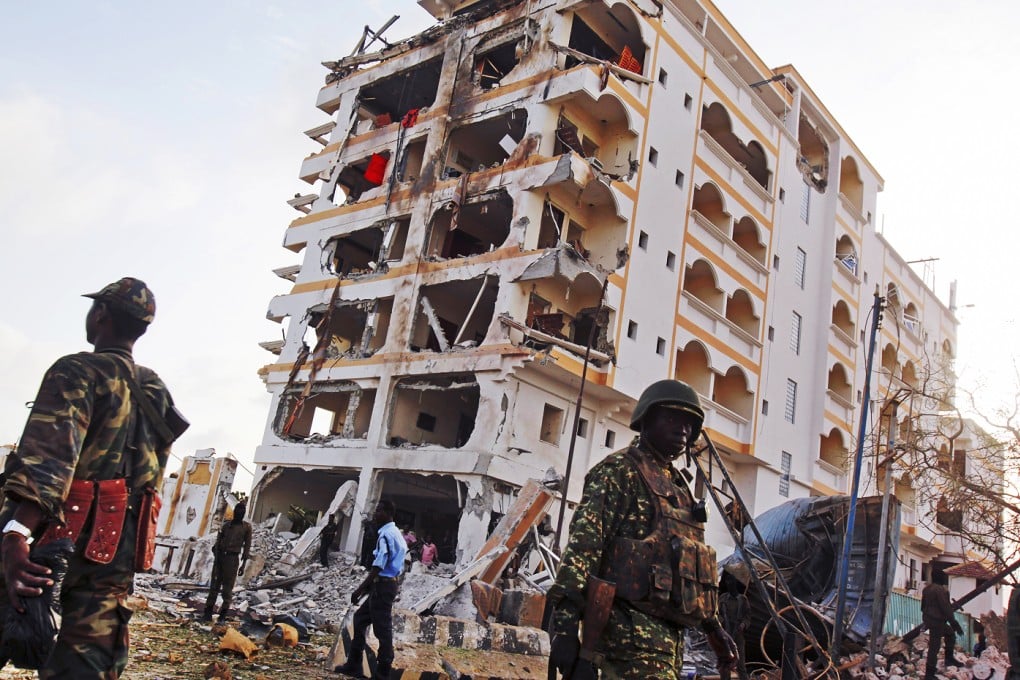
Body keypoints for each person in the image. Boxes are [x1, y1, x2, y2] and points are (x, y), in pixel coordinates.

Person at [0, 277, 186, 678]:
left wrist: (16, 535)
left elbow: (50, 461)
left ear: (100, 313)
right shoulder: (156, 389)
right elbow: (152, 473)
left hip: (54, 539)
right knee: (87, 664)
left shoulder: (76, 371)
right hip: (114, 551)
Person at [548, 379, 736, 679]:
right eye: (672, 418)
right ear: (646, 421)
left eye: (688, 423)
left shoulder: (680, 488)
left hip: (668, 647)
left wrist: (714, 629)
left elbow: (691, 571)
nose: (682, 429)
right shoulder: (619, 472)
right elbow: (583, 551)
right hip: (623, 644)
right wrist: (566, 629)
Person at [337, 500, 407, 680]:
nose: (375, 514)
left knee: (382, 630)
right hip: (386, 584)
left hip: (382, 585)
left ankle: (383, 673)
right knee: (360, 619)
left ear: (387, 513)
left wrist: (359, 590)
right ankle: (354, 665)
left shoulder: (385, 535)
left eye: (378, 511)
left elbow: (378, 565)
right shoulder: (396, 533)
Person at [203, 501, 252, 623]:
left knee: (227, 589)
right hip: (220, 557)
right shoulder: (226, 526)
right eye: (237, 510)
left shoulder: (246, 527)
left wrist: (243, 564)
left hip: (232, 558)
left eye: (241, 511)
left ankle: (222, 615)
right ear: (234, 512)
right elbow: (217, 543)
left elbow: (247, 547)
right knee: (214, 586)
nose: (239, 513)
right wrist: (217, 555)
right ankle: (208, 612)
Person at [921, 572, 963, 679]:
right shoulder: (940, 590)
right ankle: (929, 674)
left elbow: (922, 607)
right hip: (937, 621)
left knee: (950, 634)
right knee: (934, 647)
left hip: (930, 620)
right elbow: (945, 607)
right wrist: (954, 623)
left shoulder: (926, 589)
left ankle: (949, 659)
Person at [718, 572, 750, 680]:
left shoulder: (743, 599)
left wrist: (743, 624)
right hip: (725, 635)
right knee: (725, 664)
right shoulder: (722, 598)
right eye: (727, 581)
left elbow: (747, 616)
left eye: (731, 581)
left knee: (741, 666)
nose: (729, 584)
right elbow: (716, 614)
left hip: (738, 635)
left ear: (735, 583)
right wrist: (722, 622)